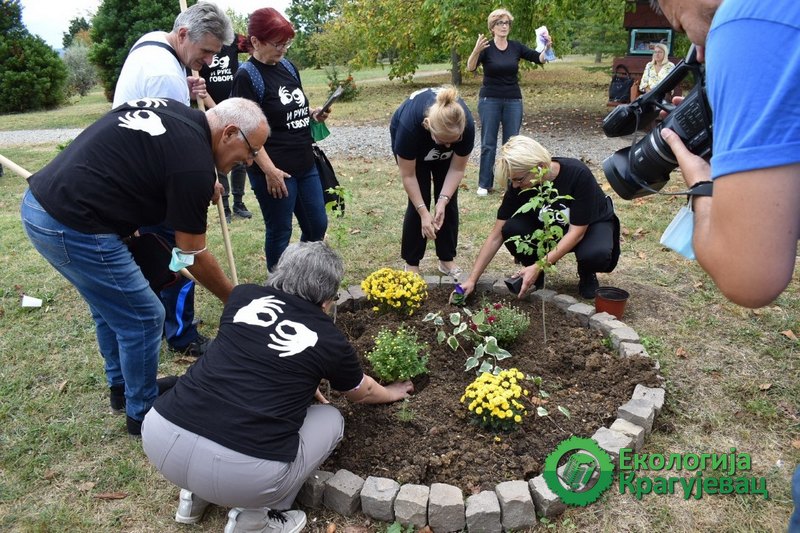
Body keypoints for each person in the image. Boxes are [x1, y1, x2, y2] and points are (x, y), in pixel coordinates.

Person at [21, 97, 269, 436]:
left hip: (44, 204)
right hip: (72, 224)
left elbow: (146, 156)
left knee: (111, 308)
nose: (251, 162)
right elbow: (191, 254)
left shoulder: (178, 115)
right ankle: (142, 413)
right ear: (228, 133)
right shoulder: (192, 167)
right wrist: (235, 298)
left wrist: (195, 186)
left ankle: (122, 389)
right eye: (251, 150)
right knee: (144, 316)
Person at [141, 241, 413, 532]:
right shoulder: (329, 339)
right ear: (325, 297)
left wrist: (304, 382)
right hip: (242, 475)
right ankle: (253, 520)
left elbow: (252, 356)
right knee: (332, 418)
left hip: (162, 437)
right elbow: (364, 391)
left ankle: (193, 498)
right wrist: (392, 392)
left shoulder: (242, 297)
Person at [113, 1, 233, 358]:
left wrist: (187, 81)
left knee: (158, 255)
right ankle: (182, 335)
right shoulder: (165, 74)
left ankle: (162, 322)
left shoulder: (155, 44)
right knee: (181, 256)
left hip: (135, 175)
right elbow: (176, 149)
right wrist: (201, 180)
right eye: (206, 51)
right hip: (155, 182)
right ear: (183, 34)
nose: (210, 62)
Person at [458, 135, 620, 300]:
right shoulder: (518, 183)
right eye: (511, 180)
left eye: (518, 179)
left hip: (589, 226)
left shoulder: (577, 174)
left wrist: (539, 265)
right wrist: (472, 280)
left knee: (595, 254)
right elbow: (496, 235)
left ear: (540, 167)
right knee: (511, 229)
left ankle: (586, 272)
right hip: (552, 227)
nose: (514, 186)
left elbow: (576, 232)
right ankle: (535, 272)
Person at [230, 7, 329, 273]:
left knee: (316, 226)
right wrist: (270, 171)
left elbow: (288, 108)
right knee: (280, 231)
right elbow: (245, 131)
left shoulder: (287, 66)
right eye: (278, 43)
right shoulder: (247, 77)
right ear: (255, 42)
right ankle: (278, 285)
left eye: (287, 42)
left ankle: (302, 274)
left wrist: (312, 114)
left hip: (305, 163)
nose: (284, 48)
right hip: (274, 170)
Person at [390, 86, 476, 279]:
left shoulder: (466, 126)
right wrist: (423, 211)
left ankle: (446, 259)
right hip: (416, 146)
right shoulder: (408, 128)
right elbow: (408, 176)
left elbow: (457, 168)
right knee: (419, 197)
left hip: (442, 142)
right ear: (428, 125)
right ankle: (412, 262)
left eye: (454, 141)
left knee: (447, 201)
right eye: (444, 141)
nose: (448, 146)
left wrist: (443, 200)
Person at [466, 8, 553, 197]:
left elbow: (538, 58)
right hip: (490, 99)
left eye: (506, 23)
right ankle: (484, 183)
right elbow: (470, 67)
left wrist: (546, 48)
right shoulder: (486, 47)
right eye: (500, 23)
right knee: (488, 143)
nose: (504, 26)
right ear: (492, 27)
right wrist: (476, 50)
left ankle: (511, 184)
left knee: (512, 144)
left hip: (513, 100)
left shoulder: (516, 46)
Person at [199, 33, 253, 223]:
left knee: (239, 158)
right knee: (221, 158)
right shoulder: (201, 46)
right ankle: (226, 207)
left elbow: (251, 45)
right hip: (214, 115)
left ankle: (239, 202)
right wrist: (217, 111)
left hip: (236, 109)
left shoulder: (231, 40)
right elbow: (200, 87)